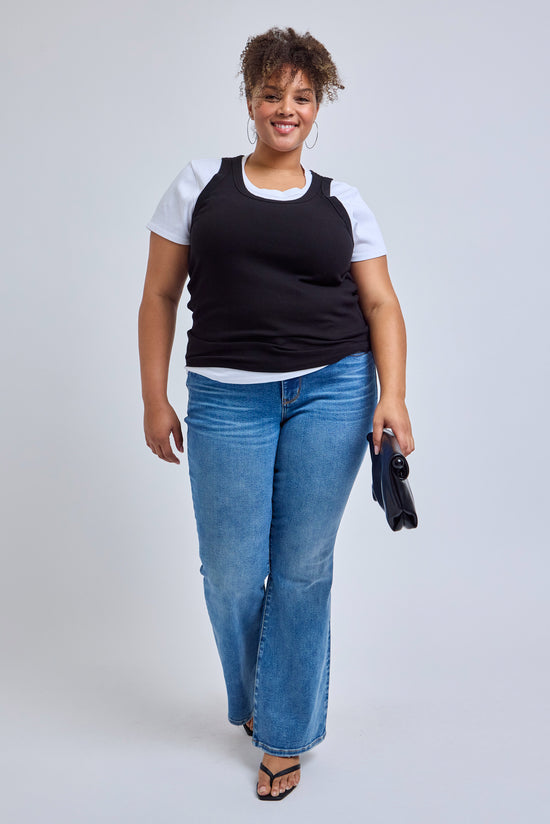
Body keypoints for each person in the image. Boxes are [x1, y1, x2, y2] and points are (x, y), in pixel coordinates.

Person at [138, 26, 414, 801]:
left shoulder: (343, 202)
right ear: (251, 101)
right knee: (229, 572)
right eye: (271, 94)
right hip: (227, 398)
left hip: (334, 389)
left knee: (300, 569)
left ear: (317, 106)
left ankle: (283, 732)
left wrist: (391, 396)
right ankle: (263, 696)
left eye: (300, 97)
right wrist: (153, 395)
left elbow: (382, 303)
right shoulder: (200, 185)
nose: (284, 109)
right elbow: (159, 295)